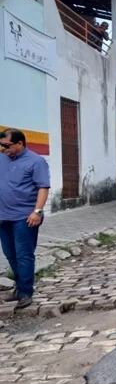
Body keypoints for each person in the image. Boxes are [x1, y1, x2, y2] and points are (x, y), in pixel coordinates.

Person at [0, 129, 50, 309]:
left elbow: (43, 188)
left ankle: (25, 292)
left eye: (6, 145)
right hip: (3, 217)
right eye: (1, 145)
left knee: (24, 255)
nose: (3, 149)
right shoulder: (2, 159)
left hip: (25, 217)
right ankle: (20, 286)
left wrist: (37, 211)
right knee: (10, 254)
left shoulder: (36, 161)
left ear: (20, 143)